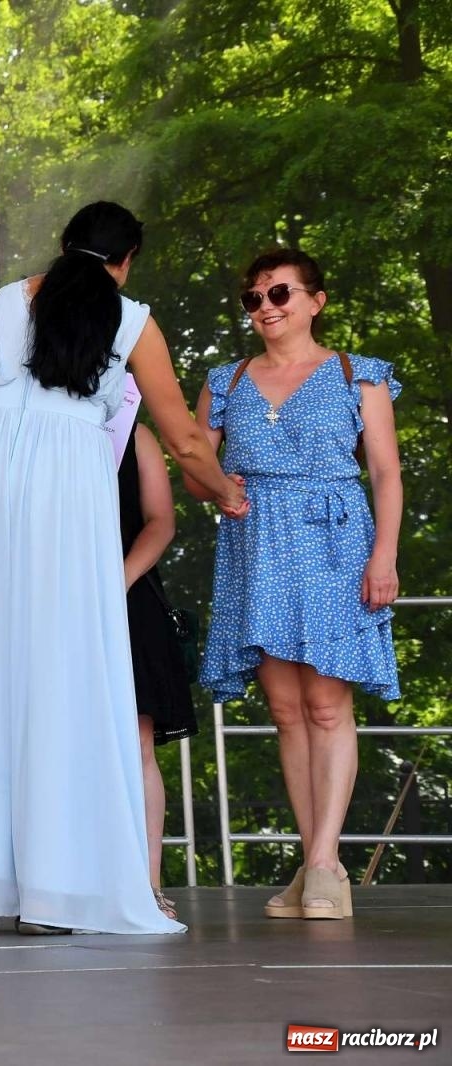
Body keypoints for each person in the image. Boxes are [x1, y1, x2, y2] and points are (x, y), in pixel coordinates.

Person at [0, 201, 246, 935]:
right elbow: (184, 435)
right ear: (126, 259)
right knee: (62, 670)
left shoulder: (5, 302)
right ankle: (56, 888)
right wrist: (226, 493)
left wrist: (11, 427)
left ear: (65, 248)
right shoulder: (133, 320)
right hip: (64, 482)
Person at [190, 249, 400, 921]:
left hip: (337, 544)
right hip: (259, 548)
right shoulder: (224, 380)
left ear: (317, 300)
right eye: (253, 299)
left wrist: (385, 557)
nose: (266, 307)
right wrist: (222, 490)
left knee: (328, 706)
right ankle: (317, 867)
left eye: (279, 292)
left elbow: (387, 475)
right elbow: (196, 471)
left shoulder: (355, 375)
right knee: (284, 710)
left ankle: (323, 864)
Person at [117, 421, 198, 920]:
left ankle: (148, 884)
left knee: (137, 742)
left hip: (130, 596)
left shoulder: (135, 432)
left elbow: (161, 521)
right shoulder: (32, 427)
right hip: (52, 596)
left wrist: (116, 579)